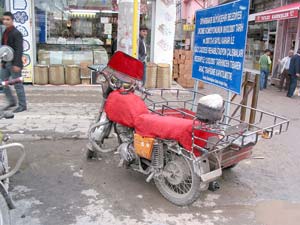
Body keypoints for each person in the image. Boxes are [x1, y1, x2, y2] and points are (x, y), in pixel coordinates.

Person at [0, 11, 27, 112]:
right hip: (6, 62)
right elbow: (4, 48)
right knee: (3, 82)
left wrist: (17, 64)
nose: (6, 21)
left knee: (17, 85)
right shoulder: (4, 32)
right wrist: (2, 61)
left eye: (8, 19)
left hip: (14, 63)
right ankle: (11, 101)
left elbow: (19, 50)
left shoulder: (17, 33)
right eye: (4, 19)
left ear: (12, 20)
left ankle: (22, 105)